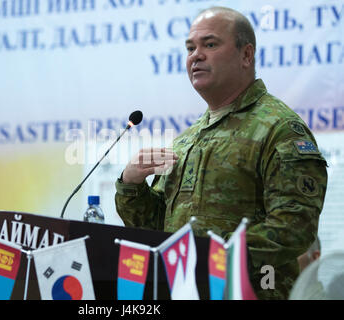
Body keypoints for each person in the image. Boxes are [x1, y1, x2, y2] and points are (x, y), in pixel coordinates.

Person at [114, 6, 328, 300]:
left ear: (246, 55)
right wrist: (131, 185)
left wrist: (212, 259)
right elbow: (157, 229)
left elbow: (294, 227)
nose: (195, 55)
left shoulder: (279, 128)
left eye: (210, 44)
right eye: (190, 48)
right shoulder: (187, 139)